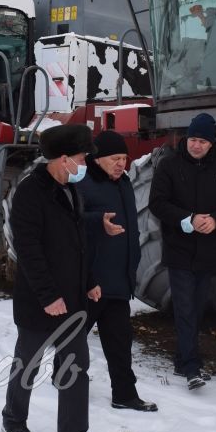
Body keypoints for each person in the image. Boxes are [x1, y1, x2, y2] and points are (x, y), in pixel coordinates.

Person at [1, 124, 111, 432]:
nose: (85, 163)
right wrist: (48, 296)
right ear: (63, 159)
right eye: (81, 157)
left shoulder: (71, 190)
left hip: (73, 299)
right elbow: (29, 251)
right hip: (40, 301)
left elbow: (78, 244)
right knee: (28, 363)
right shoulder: (31, 193)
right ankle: (13, 419)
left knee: (76, 366)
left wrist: (89, 281)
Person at [148, 112, 216, 390]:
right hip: (179, 248)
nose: (196, 145)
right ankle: (191, 366)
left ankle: (181, 358)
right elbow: (157, 203)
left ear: (211, 144)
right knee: (185, 306)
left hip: (208, 250)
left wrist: (215, 219)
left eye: (202, 141)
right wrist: (187, 219)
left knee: (198, 306)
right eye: (192, 139)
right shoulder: (169, 165)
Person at [76, 130, 157, 412]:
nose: (121, 163)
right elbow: (69, 221)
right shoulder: (82, 184)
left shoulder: (124, 184)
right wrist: (98, 221)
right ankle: (64, 380)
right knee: (75, 338)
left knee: (120, 344)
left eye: (124, 158)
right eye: (115, 158)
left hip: (120, 282)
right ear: (97, 159)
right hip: (92, 281)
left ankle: (124, 394)